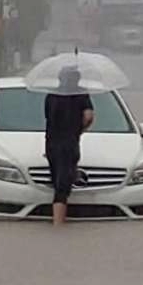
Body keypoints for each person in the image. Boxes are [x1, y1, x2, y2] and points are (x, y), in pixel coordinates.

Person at [44, 66, 94, 226]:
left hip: (51, 144)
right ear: (77, 79)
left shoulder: (51, 96)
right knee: (62, 187)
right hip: (69, 144)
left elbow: (49, 119)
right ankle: (58, 225)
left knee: (57, 180)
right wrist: (80, 129)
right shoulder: (81, 94)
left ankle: (57, 221)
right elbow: (88, 116)